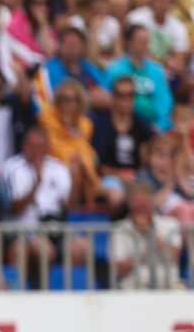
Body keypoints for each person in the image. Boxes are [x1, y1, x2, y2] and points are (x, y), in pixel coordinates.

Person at [0, 126, 86, 275]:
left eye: (41, 146)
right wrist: (37, 183)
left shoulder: (58, 168)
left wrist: (75, 179)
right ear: (24, 146)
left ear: (48, 148)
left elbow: (71, 206)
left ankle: (66, 288)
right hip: (22, 230)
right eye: (32, 146)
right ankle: (39, 289)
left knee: (82, 248)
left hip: (54, 228)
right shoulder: (11, 168)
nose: (37, 151)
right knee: (43, 251)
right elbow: (15, 208)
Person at [92, 76, 154, 210]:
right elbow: (97, 164)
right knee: (116, 197)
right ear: (113, 97)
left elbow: (150, 153)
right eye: (121, 95)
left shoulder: (141, 124)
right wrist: (119, 175)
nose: (126, 100)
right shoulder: (101, 125)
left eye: (130, 95)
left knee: (150, 193)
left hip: (136, 177)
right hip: (109, 177)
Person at [38, 80, 100, 208]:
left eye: (74, 99)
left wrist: (82, 158)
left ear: (79, 102)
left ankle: (89, 212)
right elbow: (54, 146)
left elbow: (88, 150)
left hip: (80, 167)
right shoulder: (46, 119)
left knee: (83, 163)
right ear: (58, 101)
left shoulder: (86, 124)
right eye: (64, 99)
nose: (69, 103)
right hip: (55, 165)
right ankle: (96, 190)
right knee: (79, 164)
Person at [111, 180, 182, 289]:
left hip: (169, 284)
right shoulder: (119, 229)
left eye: (144, 204)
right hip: (133, 286)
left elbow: (173, 256)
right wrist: (144, 252)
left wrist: (150, 234)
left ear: (152, 202)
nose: (140, 208)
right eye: (136, 204)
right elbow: (119, 270)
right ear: (129, 204)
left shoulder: (170, 224)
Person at [107, 25, 174, 132]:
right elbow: (111, 99)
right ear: (129, 43)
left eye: (147, 41)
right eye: (141, 41)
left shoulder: (156, 70)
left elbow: (165, 101)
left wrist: (160, 126)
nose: (145, 45)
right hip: (127, 125)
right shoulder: (115, 69)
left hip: (155, 127)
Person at [126, 0, 189, 76]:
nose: (162, 4)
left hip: (166, 75)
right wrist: (165, 62)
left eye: (167, 0)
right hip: (136, 70)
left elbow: (178, 63)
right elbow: (131, 50)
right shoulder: (136, 18)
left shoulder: (179, 28)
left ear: (172, 2)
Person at [0, 0, 57, 85]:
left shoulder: (50, 26)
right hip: (15, 76)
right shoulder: (16, 20)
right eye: (34, 1)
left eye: (43, 2)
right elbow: (10, 52)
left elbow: (50, 55)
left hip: (40, 77)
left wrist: (42, 24)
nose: (39, 6)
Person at [45, 26, 111, 111]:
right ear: (60, 46)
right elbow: (50, 100)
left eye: (76, 44)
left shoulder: (89, 68)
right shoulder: (47, 70)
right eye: (68, 44)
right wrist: (88, 98)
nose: (71, 48)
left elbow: (107, 91)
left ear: (82, 46)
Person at [70, 0, 123, 66]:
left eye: (101, 9)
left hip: (108, 64)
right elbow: (90, 58)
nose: (99, 13)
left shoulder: (113, 23)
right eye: (95, 9)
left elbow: (119, 54)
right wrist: (93, 31)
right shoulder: (77, 23)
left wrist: (108, 64)